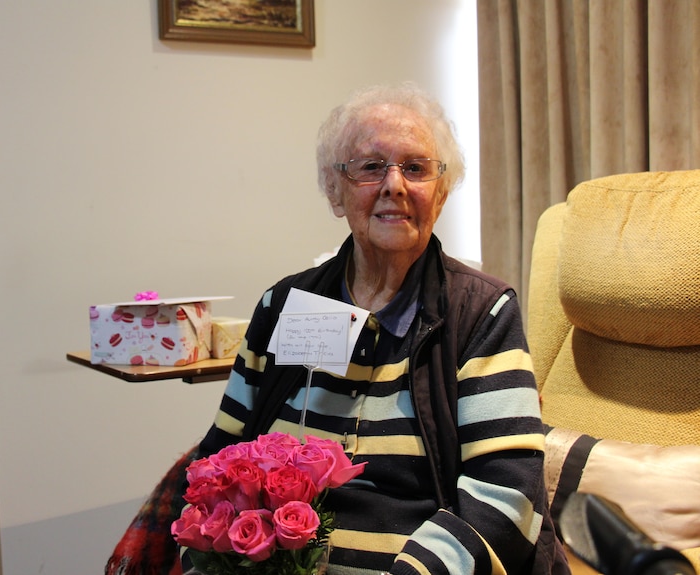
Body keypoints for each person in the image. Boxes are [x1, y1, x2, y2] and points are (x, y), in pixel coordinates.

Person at [186, 82, 569, 575]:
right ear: (334, 189)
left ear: (442, 189)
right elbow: (221, 455)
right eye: (371, 167)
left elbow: (507, 493)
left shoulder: (481, 312)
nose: (395, 185)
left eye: (416, 168)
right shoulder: (284, 305)